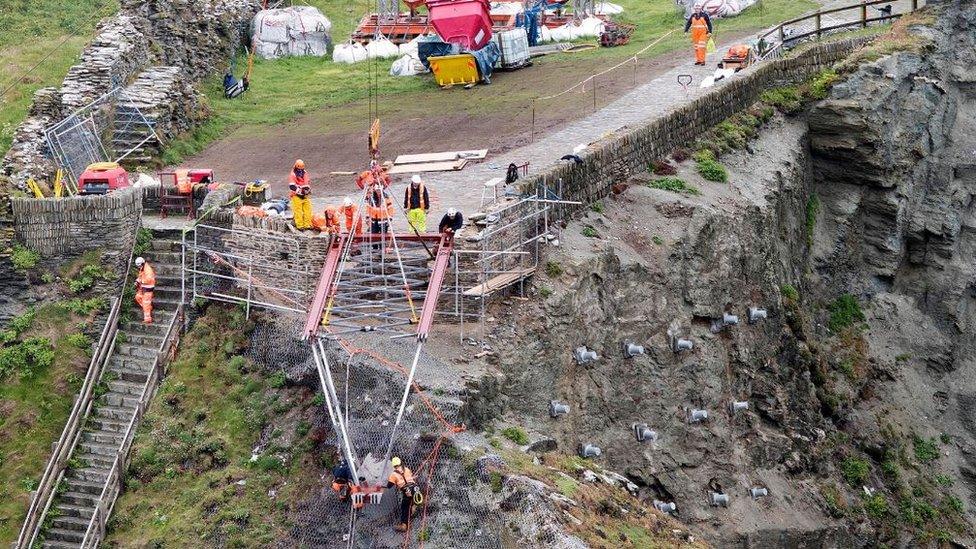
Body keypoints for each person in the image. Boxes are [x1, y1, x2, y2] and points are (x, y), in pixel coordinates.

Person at [386, 456, 420, 532]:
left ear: (393, 466)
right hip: (415, 488)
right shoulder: (407, 469)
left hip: (407, 491)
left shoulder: (393, 475)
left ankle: (404, 525)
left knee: (404, 507)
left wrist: (384, 483)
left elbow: (389, 486)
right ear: (400, 463)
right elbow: (409, 478)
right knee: (413, 499)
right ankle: (414, 506)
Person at [289, 159, 312, 230]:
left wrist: (307, 190)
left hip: (305, 195)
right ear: (296, 166)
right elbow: (292, 186)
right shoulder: (293, 174)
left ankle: (307, 224)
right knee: (298, 211)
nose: (300, 170)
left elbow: (307, 183)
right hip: (296, 195)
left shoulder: (304, 173)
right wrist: (301, 191)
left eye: (301, 168)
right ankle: (300, 225)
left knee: (308, 210)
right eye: (299, 168)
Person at [134, 257, 156, 324]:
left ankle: (147, 319)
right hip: (143, 288)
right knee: (138, 297)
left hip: (148, 288)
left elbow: (148, 279)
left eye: (139, 265)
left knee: (146, 303)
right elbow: (140, 276)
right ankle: (149, 308)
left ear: (142, 263)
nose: (139, 267)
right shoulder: (142, 268)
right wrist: (137, 281)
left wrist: (141, 281)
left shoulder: (148, 270)